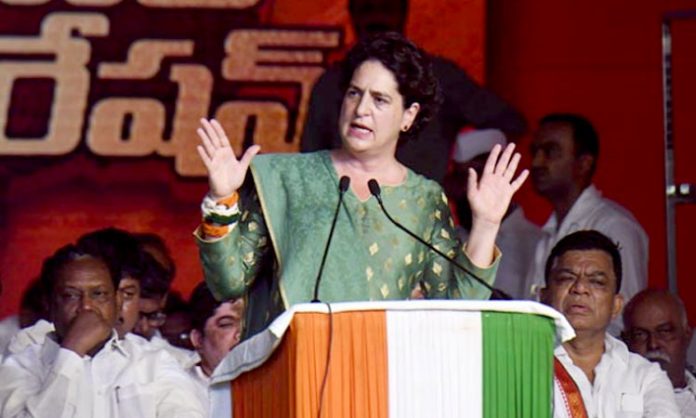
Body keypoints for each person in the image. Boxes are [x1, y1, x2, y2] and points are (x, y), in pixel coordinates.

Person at [195, 32, 528, 337]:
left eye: (380, 100)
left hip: (380, 376)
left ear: (409, 115)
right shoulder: (283, 177)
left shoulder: (423, 199)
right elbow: (228, 283)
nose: (361, 110)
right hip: (288, 373)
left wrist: (485, 224)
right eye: (354, 93)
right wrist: (222, 199)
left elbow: (455, 305)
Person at [300, 0, 527, 184]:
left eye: (386, 8)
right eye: (367, 8)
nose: (376, 18)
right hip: (346, 213)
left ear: (404, 11)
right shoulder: (331, 84)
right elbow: (310, 162)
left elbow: (510, 121)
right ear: (352, 13)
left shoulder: (439, 76)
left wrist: (466, 160)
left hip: (420, 211)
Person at [0, 242, 206, 418]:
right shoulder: (21, 365)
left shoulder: (153, 364)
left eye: (98, 294)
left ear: (117, 301)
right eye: (70, 295)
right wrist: (71, 352)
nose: (86, 307)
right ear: (50, 305)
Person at [527, 113, 648, 333]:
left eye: (550, 151)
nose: (536, 162)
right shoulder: (545, 235)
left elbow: (625, 324)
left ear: (583, 164)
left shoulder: (615, 226)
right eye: (534, 152)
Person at [540, 230, 679, 418]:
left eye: (596, 282)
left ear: (616, 305)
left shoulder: (645, 377)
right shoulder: (523, 368)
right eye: (567, 278)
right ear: (544, 297)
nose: (580, 288)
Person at [444, 129, 542, 299]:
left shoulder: (535, 241)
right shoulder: (447, 240)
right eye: (460, 176)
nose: (466, 188)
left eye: (476, 174)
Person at [623, 289, 696, 417]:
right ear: (626, 341)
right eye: (640, 335)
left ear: (687, 336)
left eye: (664, 332)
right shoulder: (608, 398)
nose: (653, 344)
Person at [188, 282, 244, 387]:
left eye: (249, 322)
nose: (240, 334)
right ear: (198, 339)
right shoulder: (179, 391)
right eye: (226, 325)